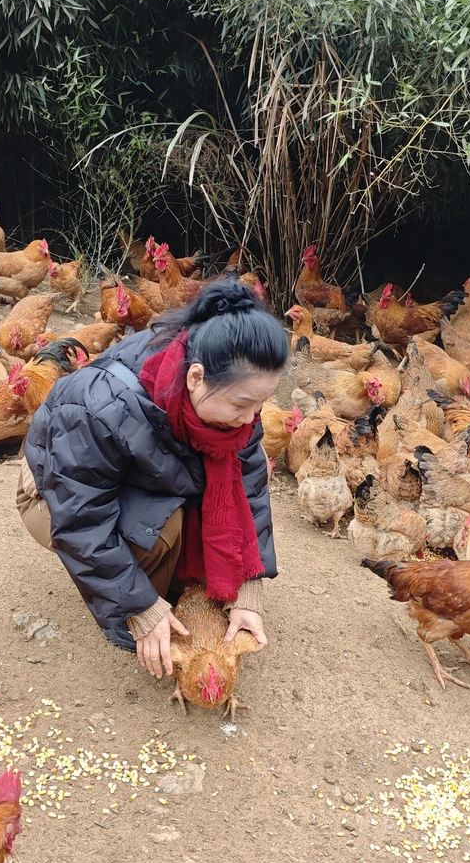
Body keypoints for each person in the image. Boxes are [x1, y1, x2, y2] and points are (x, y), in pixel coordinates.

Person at [18, 278, 289, 679]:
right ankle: (123, 611)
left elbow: (248, 490)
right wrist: (140, 609)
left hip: (135, 480)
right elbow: (81, 518)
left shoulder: (231, 409)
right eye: (243, 404)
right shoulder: (101, 404)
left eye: (261, 403)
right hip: (54, 497)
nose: (252, 419)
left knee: (189, 507)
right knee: (161, 526)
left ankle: (155, 582)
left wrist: (248, 587)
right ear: (196, 378)